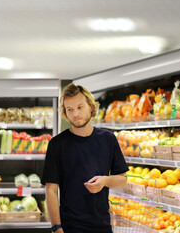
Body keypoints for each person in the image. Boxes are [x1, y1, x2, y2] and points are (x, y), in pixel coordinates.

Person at [42, 83, 128, 233]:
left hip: (102, 227)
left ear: (90, 106)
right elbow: (51, 190)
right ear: (65, 112)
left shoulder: (108, 139)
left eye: (80, 107)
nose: (75, 114)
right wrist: (56, 227)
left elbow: (122, 180)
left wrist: (105, 181)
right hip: (70, 228)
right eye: (70, 109)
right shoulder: (57, 144)